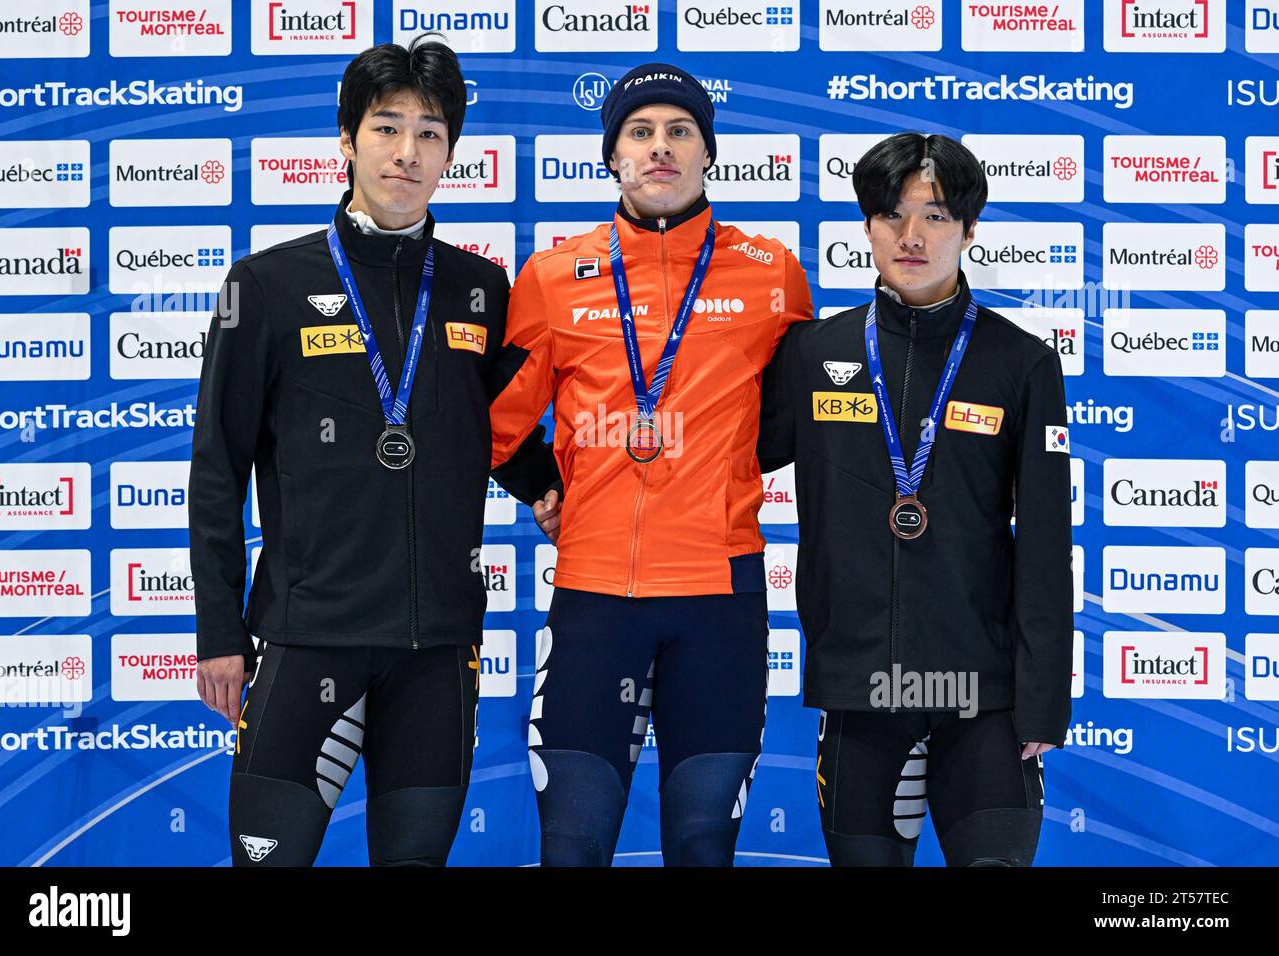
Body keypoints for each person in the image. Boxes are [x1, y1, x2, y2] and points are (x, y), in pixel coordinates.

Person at [189, 36, 557, 867]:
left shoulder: (478, 288)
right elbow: (218, 467)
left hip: (437, 652)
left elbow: (493, 427)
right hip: (307, 633)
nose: (407, 152)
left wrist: (547, 487)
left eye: (430, 134)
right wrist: (219, 632)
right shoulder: (267, 285)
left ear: (452, 155)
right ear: (348, 140)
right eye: (386, 127)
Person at [490, 63, 814, 866]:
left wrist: (724, 460)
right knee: (573, 845)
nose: (659, 148)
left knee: (704, 849)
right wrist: (544, 484)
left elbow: (797, 421)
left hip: (720, 600)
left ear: (709, 153)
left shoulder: (772, 274)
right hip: (596, 598)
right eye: (640, 132)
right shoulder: (553, 277)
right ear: (612, 157)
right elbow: (493, 423)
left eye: (679, 132)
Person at [757, 133, 1073, 867]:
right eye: (892, 215)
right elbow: (723, 457)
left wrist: (1043, 696)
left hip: (984, 697)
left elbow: (1048, 541)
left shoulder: (1021, 362)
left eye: (934, 216)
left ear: (969, 229)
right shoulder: (811, 354)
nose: (911, 236)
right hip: (862, 692)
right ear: (865, 226)